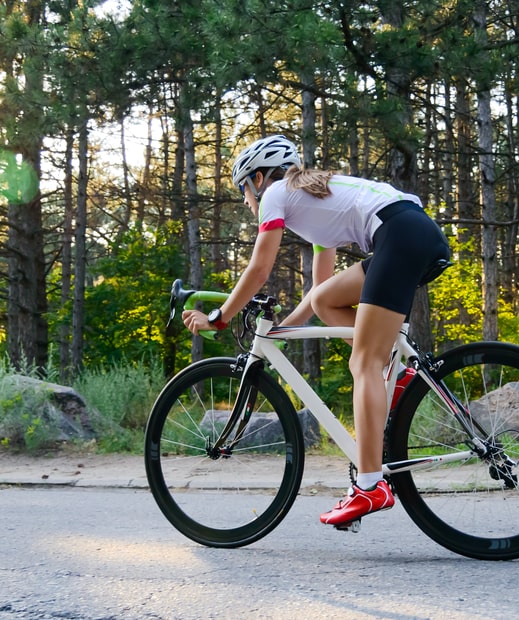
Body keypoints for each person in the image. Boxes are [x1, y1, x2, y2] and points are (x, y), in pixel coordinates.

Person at [183, 135, 450, 526]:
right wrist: (280, 333)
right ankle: (399, 368)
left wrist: (219, 317)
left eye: (244, 189)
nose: (246, 200)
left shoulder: (276, 194)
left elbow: (259, 269)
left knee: (363, 365)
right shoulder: (314, 203)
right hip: (411, 233)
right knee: (330, 303)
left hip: (402, 237)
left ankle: (371, 485)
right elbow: (319, 294)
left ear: (259, 178)